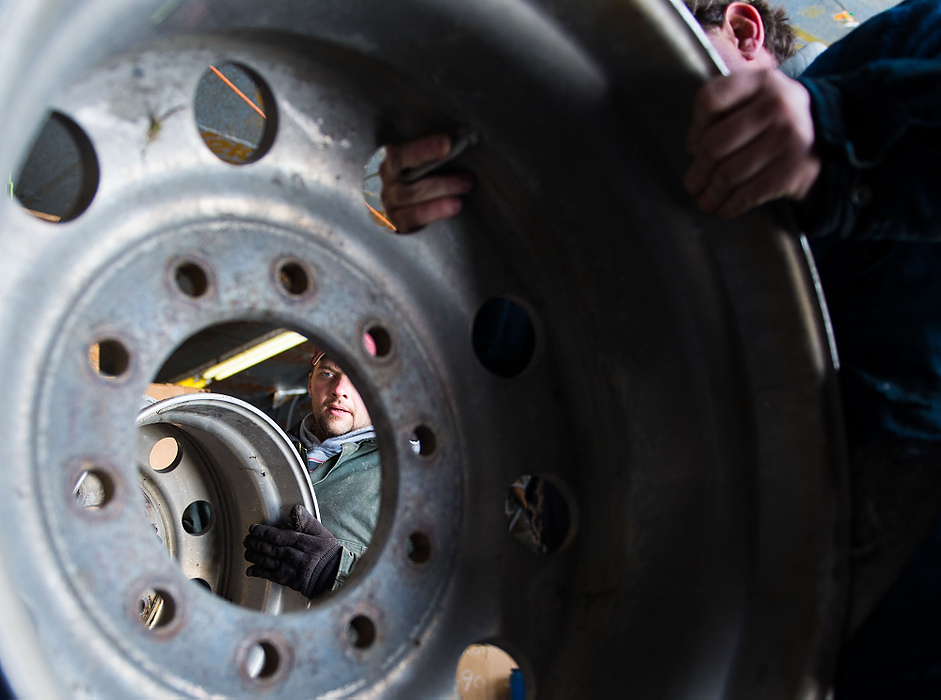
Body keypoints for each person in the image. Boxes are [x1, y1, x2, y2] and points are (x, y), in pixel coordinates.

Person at [379, 1, 941, 694]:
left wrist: (839, 134)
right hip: (769, 637)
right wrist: (453, 221)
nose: (632, 142)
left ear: (742, 31)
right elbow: (508, 356)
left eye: (646, 91)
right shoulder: (644, 250)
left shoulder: (902, 44)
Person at [243, 344, 380, 597]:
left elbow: (427, 592)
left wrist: (333, 572)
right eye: (328, 374)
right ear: (310, 383)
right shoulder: (256, 451)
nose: (339, 390)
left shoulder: (405, 481)